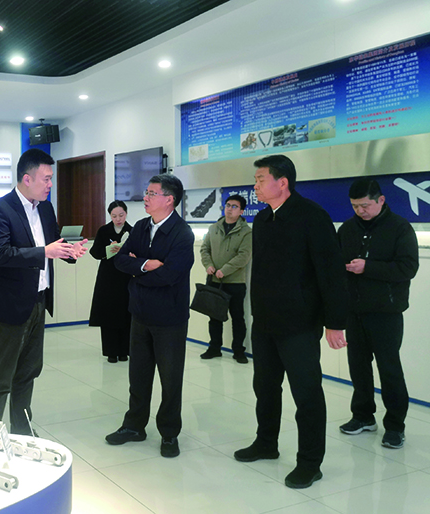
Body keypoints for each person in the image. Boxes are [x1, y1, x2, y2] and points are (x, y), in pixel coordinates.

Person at [233, 154, 349, 489]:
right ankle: (266, 443)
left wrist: (335, 322)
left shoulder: (312, 216)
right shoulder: (263, 219)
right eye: (255, 180)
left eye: (260, 179)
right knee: (265, 387)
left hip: (299, 324)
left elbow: (331, 273)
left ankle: (310, 463)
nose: (256, 186)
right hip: (265, 322)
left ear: (282, 182)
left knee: (306, 393)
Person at [0, 148, 88, 435]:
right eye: (46, 179)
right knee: (2, 374)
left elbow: (53, 244)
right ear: (27, 179)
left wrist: (69, 252)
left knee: (29, 370)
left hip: (39, 300)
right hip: (10, 305)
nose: (50, 184)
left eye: (51, 178)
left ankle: (22, 430)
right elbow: (0, 254)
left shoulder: (46, 208)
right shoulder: (0, 210)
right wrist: (45, 252)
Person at [105, 174, 194, 459]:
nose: (145, 197)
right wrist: (145, 265)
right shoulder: (142, 227)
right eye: (146, 192)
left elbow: (171, 275)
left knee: (170, 379)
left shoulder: (182, 233)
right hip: (140, 314)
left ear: (169, 200)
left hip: (169, 318)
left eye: (152, 193)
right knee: (138, 375)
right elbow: (120, 260)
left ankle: (169, 433)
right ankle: (134, 426)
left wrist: (136, 273)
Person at [337, 178, 418, 449]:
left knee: (389, 370)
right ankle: (363, 416)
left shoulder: (400, 227)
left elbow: (408, 268)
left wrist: (368, 267)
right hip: (354, 311)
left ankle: (395, 426)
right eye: (355, 206)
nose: (360, 211)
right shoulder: (347, 229)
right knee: (358, 368)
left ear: (381, 200)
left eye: (365, 205)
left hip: (386, 313)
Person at [199, 194, 252, 363]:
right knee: (214, 317)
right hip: (214, 281)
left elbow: (244, 256)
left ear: (241, 211)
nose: (229, 209)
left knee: (238, 318)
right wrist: (208, 265)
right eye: (228, 205)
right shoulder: (214, 228)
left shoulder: (246, 232)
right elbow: (205, 249)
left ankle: (239, 351)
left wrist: (225, 270)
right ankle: (214, 348)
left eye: (234, 206)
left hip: (235, 283)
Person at [88, 200, 133, 363]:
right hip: (107, 278)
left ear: (126, 214)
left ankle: (124, 351)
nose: (118, 219)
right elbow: (95, 252)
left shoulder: (132, 231)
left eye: (121, 215)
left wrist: (126, 252)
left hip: (126, 277)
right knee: (108, 314)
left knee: (125, 313)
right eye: (114, 216)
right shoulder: (104, 231)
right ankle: (111, 352)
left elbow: (139, 252)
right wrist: (108, 250)